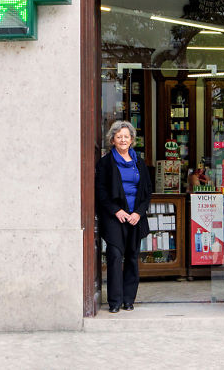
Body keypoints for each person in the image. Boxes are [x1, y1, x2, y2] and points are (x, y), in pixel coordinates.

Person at [95, 120, 152, 313]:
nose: (123, 140)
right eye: (119, 137)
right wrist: (116, 210)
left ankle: (129, 300)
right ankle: (115, 302)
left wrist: (138, 213)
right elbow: (100, 191)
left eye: (126, 136)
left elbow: (146, 192)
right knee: (115, 255)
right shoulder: (105, 162)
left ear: (132, 140)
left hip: (135, 216)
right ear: (112, 140)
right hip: (115, 217)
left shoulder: (140, 163)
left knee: (132, 258)